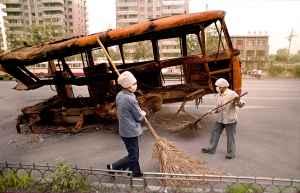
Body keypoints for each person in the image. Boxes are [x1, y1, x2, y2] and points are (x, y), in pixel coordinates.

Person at [107, 71, 146, 178]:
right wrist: (143, 113)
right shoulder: (130, 99)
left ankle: (135, 172)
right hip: (130, 131)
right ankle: (112, 167)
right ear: (127, 86)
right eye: (134, 84)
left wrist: (133, 98)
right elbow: (139, 117)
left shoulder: (120, 95)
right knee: (133, 156)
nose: (135, 85)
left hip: (124, 130)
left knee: (134, 153)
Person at [201, 78, 245, 159]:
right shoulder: (218, 95)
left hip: (230, 120)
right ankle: (211, 149)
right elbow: (218, 108)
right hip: (220, 119)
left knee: (230, 137)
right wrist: (213, 111)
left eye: (218, 86)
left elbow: (241, 104)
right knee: (214, 132)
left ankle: (231, 154)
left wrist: (237, 101)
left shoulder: (232, 94)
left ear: (223, 86)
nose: (216, 88)